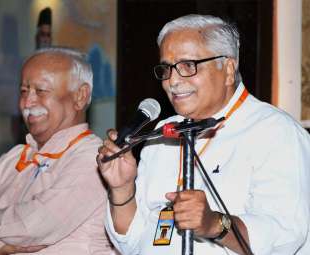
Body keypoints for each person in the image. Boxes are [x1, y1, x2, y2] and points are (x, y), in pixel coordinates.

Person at [97, 14, 310, 255]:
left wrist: (214, 224)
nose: (172, 81)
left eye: (188, 66)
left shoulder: (275, 132)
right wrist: (123, 188)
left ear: (228, 69)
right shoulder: (162, 134)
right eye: (167, 68)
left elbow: (284, 235)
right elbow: (132, 243)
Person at [0, 47, 113, 254]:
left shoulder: (94, 158)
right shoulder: (15, 157)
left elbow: (32, 225)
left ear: (80, 96)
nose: (27, 102)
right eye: (24, 91)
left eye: (41, 91)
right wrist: (0, 246)